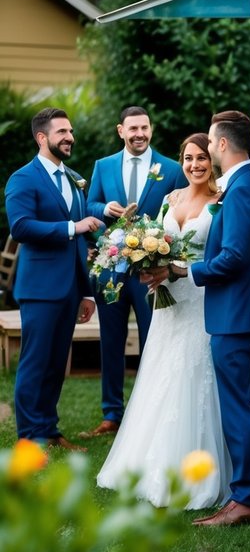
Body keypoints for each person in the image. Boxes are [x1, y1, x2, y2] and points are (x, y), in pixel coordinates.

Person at [97, 134, 231, 508]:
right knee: (160, 374)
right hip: (166, 306)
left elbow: (217, 254)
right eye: (188, 159)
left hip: (199, 300)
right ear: (181, 162)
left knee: (193, 375)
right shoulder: (171, 199)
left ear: (213, 161)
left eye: (202, 158)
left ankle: (195, 472)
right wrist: (150, 266)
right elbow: (155, 240)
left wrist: (176, 270)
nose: (194, 165)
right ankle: (148, 461)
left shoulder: (221, 203)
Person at [187, 111, 250, 527]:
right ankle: (245, 493)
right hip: (238, 312)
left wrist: (187, 272)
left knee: (238, 407)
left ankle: (245, 500)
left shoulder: (240, 190)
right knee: (239, 404)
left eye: (211, 143)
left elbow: (235, 257)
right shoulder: (247, 184)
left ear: (222, 144)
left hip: (235, 314)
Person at [81, 105, 187, 437]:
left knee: (154, 341)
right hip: (111, 269)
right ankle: (112, 415)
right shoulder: (103, 165)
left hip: (151, 274)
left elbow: (183, 210)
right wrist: (104, 208)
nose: (139, 133)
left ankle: (150, 415)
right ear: (120, 131)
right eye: (133, 128)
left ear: (150, 130)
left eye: (145, 128)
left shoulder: (171, 169)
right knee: (110, 342)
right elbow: (88, 205)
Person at [4, 108, 103, 448]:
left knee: (57, 362)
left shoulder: (75, 177)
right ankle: (29, 437)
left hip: (70, 288)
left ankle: (48, 428)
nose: (70, 137)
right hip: (40, 288)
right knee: (36, 361)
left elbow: (83, 235)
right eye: (62, 132)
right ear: (42, 138)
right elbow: (20, 226)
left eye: (71, 131)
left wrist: (86, 292)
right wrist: (71, 227)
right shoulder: (23, 178)